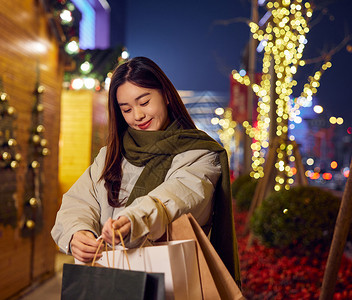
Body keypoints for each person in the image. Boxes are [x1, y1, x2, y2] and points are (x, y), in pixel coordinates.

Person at [51, 56, 240, 284]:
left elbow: (178, 197)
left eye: (144, 102)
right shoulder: (110, 155)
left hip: (170, 284)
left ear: (167, 96)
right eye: (127, 109)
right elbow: (79, 201)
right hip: (105, 284)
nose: (137, 116)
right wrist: (77, 233)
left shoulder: (199, 154)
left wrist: (134, 221)